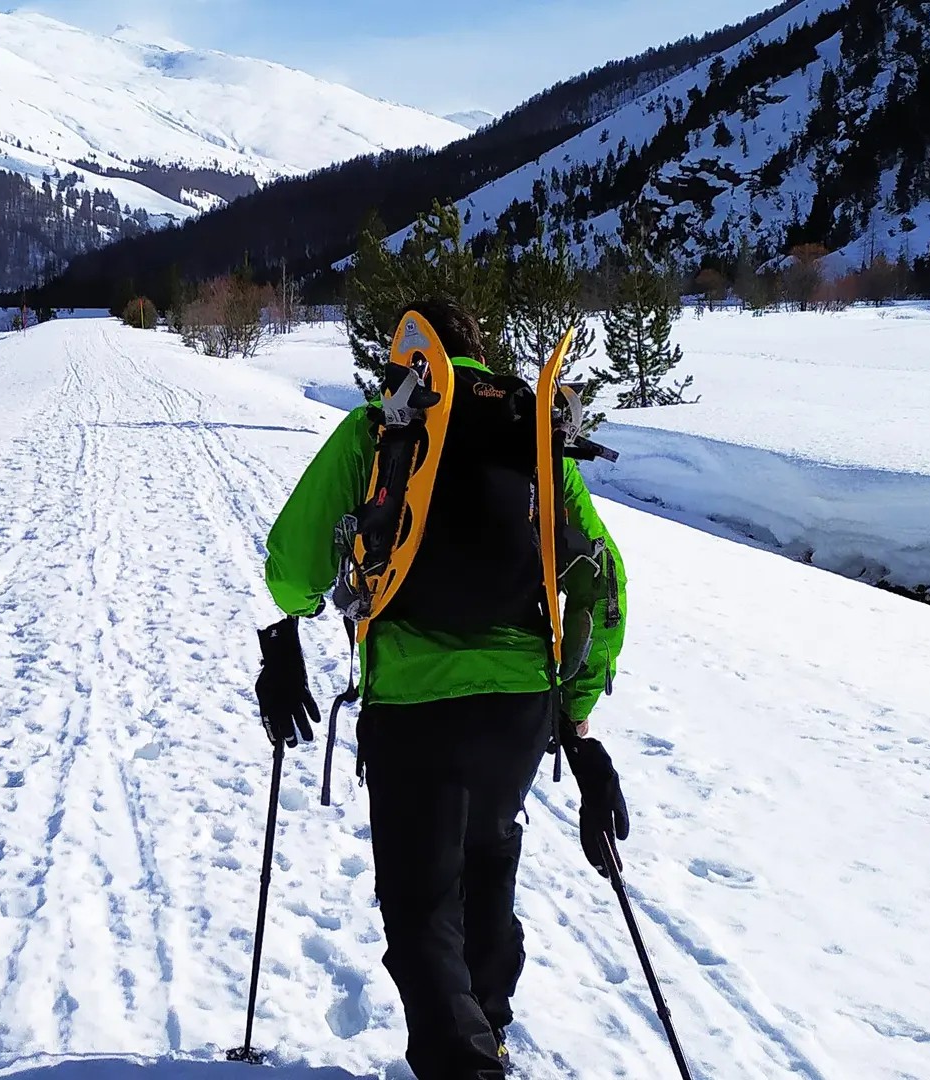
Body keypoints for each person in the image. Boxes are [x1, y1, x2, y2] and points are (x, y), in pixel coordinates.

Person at [253, 299, 629, 1079]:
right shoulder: (531, 430)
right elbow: (603, 580)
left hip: (414, 707)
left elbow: (292, 566)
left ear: (412, 357)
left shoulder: (381, 428)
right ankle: (488, 1030)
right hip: (519, 708)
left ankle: (465, 1066)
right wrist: (577, 717)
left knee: (423, 905)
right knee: (488, 859)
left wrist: (291, 620)